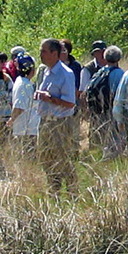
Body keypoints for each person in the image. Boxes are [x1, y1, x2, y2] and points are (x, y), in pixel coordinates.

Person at [35, 39, 79, 195]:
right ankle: (54, 191)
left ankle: (73, 193)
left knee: (63, 160)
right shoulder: (45, 72)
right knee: (46, 159)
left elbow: (70, 103)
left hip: (60, 123)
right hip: (45, 122)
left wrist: (51, 99)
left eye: (44, 51)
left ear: (55, 53)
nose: (41, 54)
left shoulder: (65, 73)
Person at [82, 45, 126, 157]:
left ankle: (96, 159)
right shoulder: (120, 74)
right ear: (119, 58)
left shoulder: (99, 72)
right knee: (113, 141)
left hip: (97, 112)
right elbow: (121, 96)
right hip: (111, 112)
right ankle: (111, 160)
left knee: (98, 141)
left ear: (105, 58)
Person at [6, 52, 39, 155]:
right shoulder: (24, 85)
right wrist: (12, 120)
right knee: (28, 153)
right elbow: (19, 106)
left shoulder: (22, 82)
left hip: (27, 128)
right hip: (26, 128)